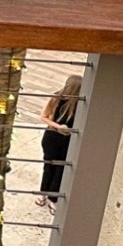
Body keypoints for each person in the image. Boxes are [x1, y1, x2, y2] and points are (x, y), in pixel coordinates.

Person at [35, 74, 82, 212]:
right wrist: (58, 127)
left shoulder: (80, 103)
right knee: (49, 166)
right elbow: (43, 117)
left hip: (68, 140)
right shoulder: (56, 98)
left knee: (60, 168)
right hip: (53, 137)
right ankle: (44, 194)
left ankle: (53, 198)